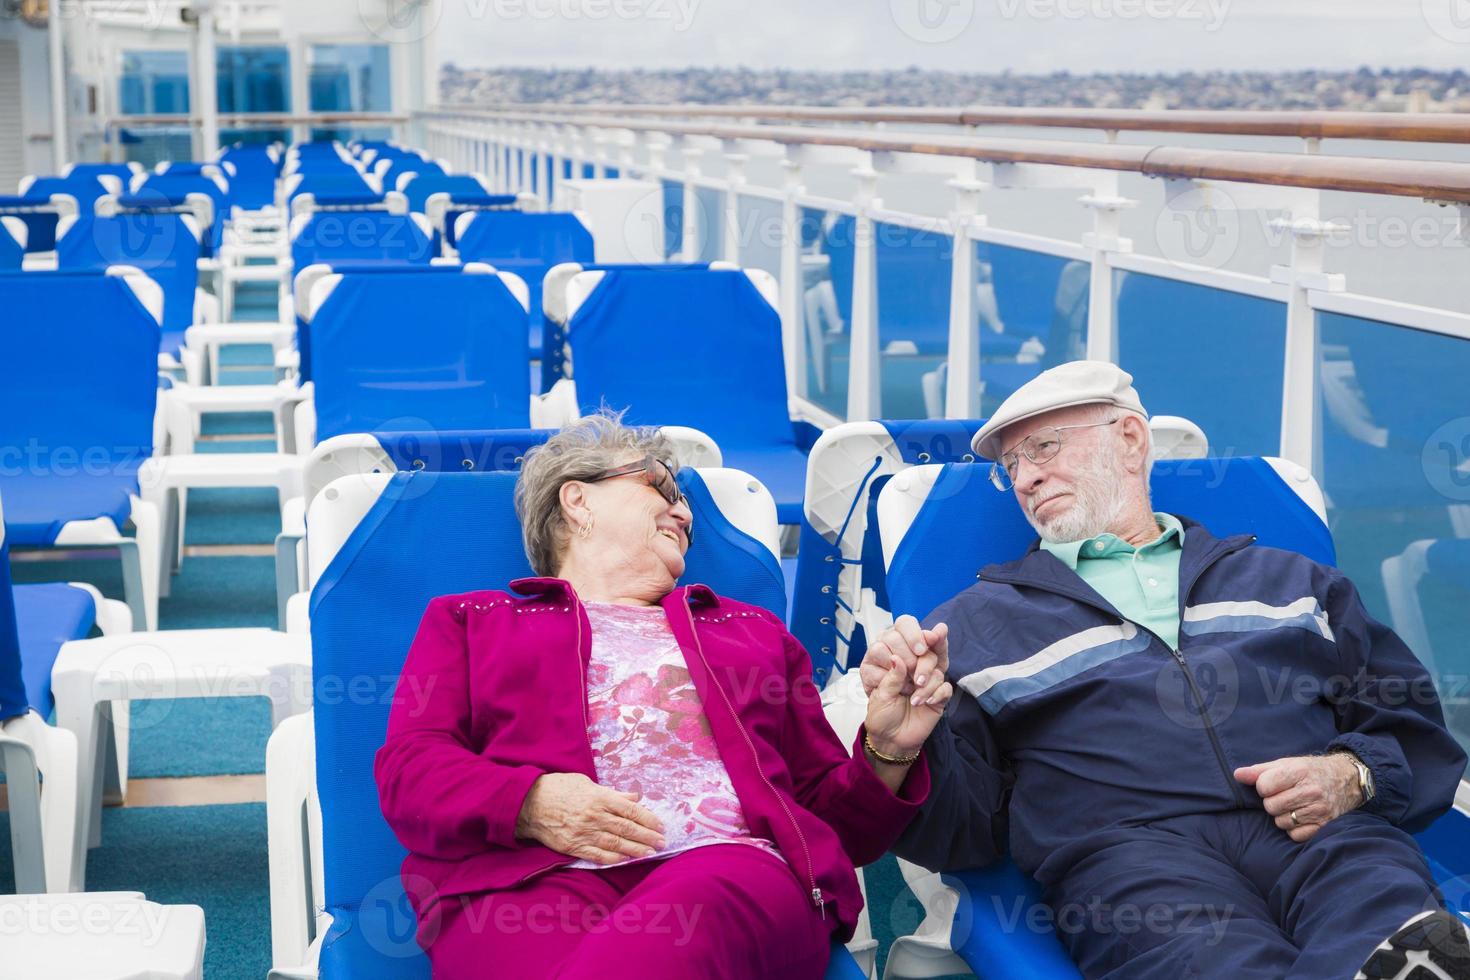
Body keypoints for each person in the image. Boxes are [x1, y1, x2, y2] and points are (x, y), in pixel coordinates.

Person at [863, 361, 1470, 980]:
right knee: (1213, 963)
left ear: (1129, 439)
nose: (1027, 477)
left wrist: (1352, 773)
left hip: (1323, 833)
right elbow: (964, 834)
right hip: (1131, 861)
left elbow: (1412, 725)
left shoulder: (1289, 582)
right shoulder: (972, 627)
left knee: (1392, 928)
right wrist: (898, 751)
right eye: (1010, 465)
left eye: (1044, 447)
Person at [376, 413, 950, 979]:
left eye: (687, 508)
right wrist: (529, 801)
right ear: (577, 499)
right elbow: (410, 773)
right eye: (660, 485)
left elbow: (835, 832)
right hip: (529, 881)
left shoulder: (750, 633)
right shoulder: (473, 621)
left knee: (705, 902)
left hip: (727, 867)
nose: (683, 512)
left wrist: (885, 749)